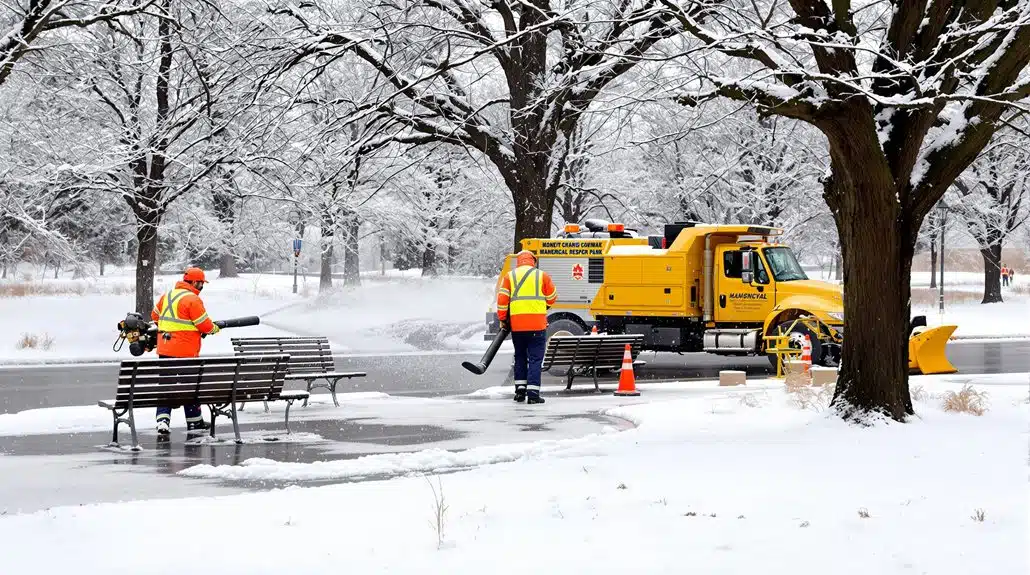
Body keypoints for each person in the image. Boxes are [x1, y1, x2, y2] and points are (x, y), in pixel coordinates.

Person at [150, 267, 220, 434]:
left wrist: (171, 331)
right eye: (201, 284)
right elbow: (204, 325)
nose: (202, 287)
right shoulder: (192, 300)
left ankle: (163, 421)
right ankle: (195, 422)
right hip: (186, 352)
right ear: (195, 282)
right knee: (190, 387)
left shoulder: (167, 296)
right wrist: (214, 329)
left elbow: (154, 316)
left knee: (166, 387)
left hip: (165, 350)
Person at [496, 250, 557, 404]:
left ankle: (520, 391)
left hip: (518, 326)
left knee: (520, 357)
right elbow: (552, 297)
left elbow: (502, 300)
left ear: (519, 261)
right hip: (537, 325)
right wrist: (545, 305)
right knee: (535, 359)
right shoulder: (541, 275)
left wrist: (503, 319)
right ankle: (533, 394)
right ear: (533, 261)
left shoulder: (510, 276)